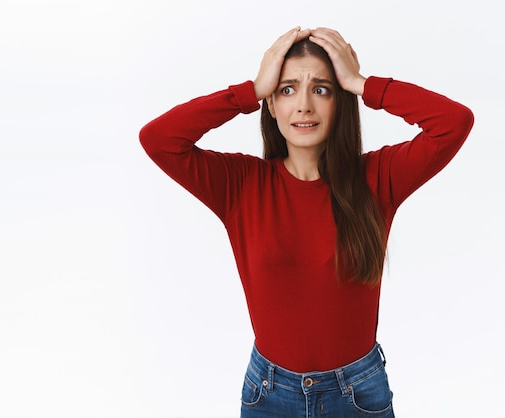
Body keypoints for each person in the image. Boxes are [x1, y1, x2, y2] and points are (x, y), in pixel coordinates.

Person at [139, 26, 473, 417]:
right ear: (271, 105)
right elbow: (158, 139)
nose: (303, 105)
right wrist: (248, 91)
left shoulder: (378, 178)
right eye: (286, 89)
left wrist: (362, 84)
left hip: (357, 395)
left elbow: (455, 122)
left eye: (321, 89)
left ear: (340, 101)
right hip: (268, 395)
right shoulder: (240, 185)